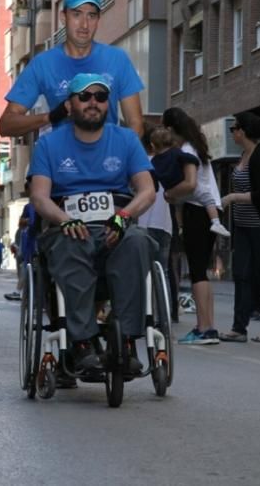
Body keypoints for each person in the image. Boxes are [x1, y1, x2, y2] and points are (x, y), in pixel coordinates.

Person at [30, 73, 156, 375]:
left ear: (108, 104)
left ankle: (127, 341)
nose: (93, 103)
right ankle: (83, 342)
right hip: (67, 224)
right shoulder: (48, 145)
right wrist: (64, 220)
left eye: (100, 97)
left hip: (115, 221)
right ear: (70, 104)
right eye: (84, 97)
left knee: (138, 242)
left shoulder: (126, 140)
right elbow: (39, 196)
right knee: (71, 243)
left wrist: (124, 217)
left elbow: (147, 190)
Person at [0, 0, 144, 139]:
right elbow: (5, 125)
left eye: (91, 16)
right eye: (77, 14)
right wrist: (51, 117)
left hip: (107, 159)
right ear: (63, 17)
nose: (84, 24)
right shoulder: (42, 64)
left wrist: (119, 157)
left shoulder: (117, 59)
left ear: (98, 19)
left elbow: (136, 123)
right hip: (61, 160)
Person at [218, 112, 260, 344]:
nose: (232, 132)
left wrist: (233, 197)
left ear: (243, 131)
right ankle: (239, 327)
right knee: (241, 274)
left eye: (233, 128)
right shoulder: (243, 155)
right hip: (244, 226)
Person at [162, 107, 223, 346]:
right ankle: (209, 325)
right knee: (203, 272)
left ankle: (202, 327)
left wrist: (171, 194)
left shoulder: (186, 152)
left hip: (197, 210)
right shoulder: (198, 148)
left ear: (170, 129)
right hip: (212, 209)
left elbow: (190, 184)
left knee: (197, 271)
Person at [149, 126, 230, 238]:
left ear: (153, 146)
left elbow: (153, 180)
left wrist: (157, 188)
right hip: (186, 187)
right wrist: (196, 164)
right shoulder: (176, 152)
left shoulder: (153, 162)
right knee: (208, 198)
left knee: (178, 207)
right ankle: (216, 222)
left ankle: (180, 226)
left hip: (173, 193)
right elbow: (190, 158)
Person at [138, 129, 177, 322]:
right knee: (163, 273)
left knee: (144, 273)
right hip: (165, 224)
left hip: (145, 223)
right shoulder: (170, 164)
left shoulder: (143, 164)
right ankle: (165, 317)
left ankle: (146, 315)